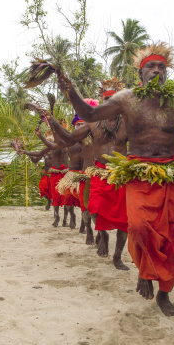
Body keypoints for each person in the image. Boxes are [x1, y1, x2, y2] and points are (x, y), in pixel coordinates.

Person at [56, 42, 174, 316]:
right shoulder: (126, 99)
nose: (156, 71)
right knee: (140, 227)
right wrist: (71, 93)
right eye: (150, 67)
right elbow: (92, 114)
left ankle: (164, 294)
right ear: (140, 75)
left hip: (171, 175)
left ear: (167, 72)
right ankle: (145, 270)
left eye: (161, 67)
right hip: (139, 173)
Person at [49, 80, 130, 270]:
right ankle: (102, 234)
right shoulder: (93, 125)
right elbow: (69, 139)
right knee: (93, 208)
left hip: (120, 177)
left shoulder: (128, 124)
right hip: (98, 175)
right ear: (103, 104)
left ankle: (117, 257)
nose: (111, 104)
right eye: (107, 101)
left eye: (114, 100)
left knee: (123, 221)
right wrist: (52, 120)